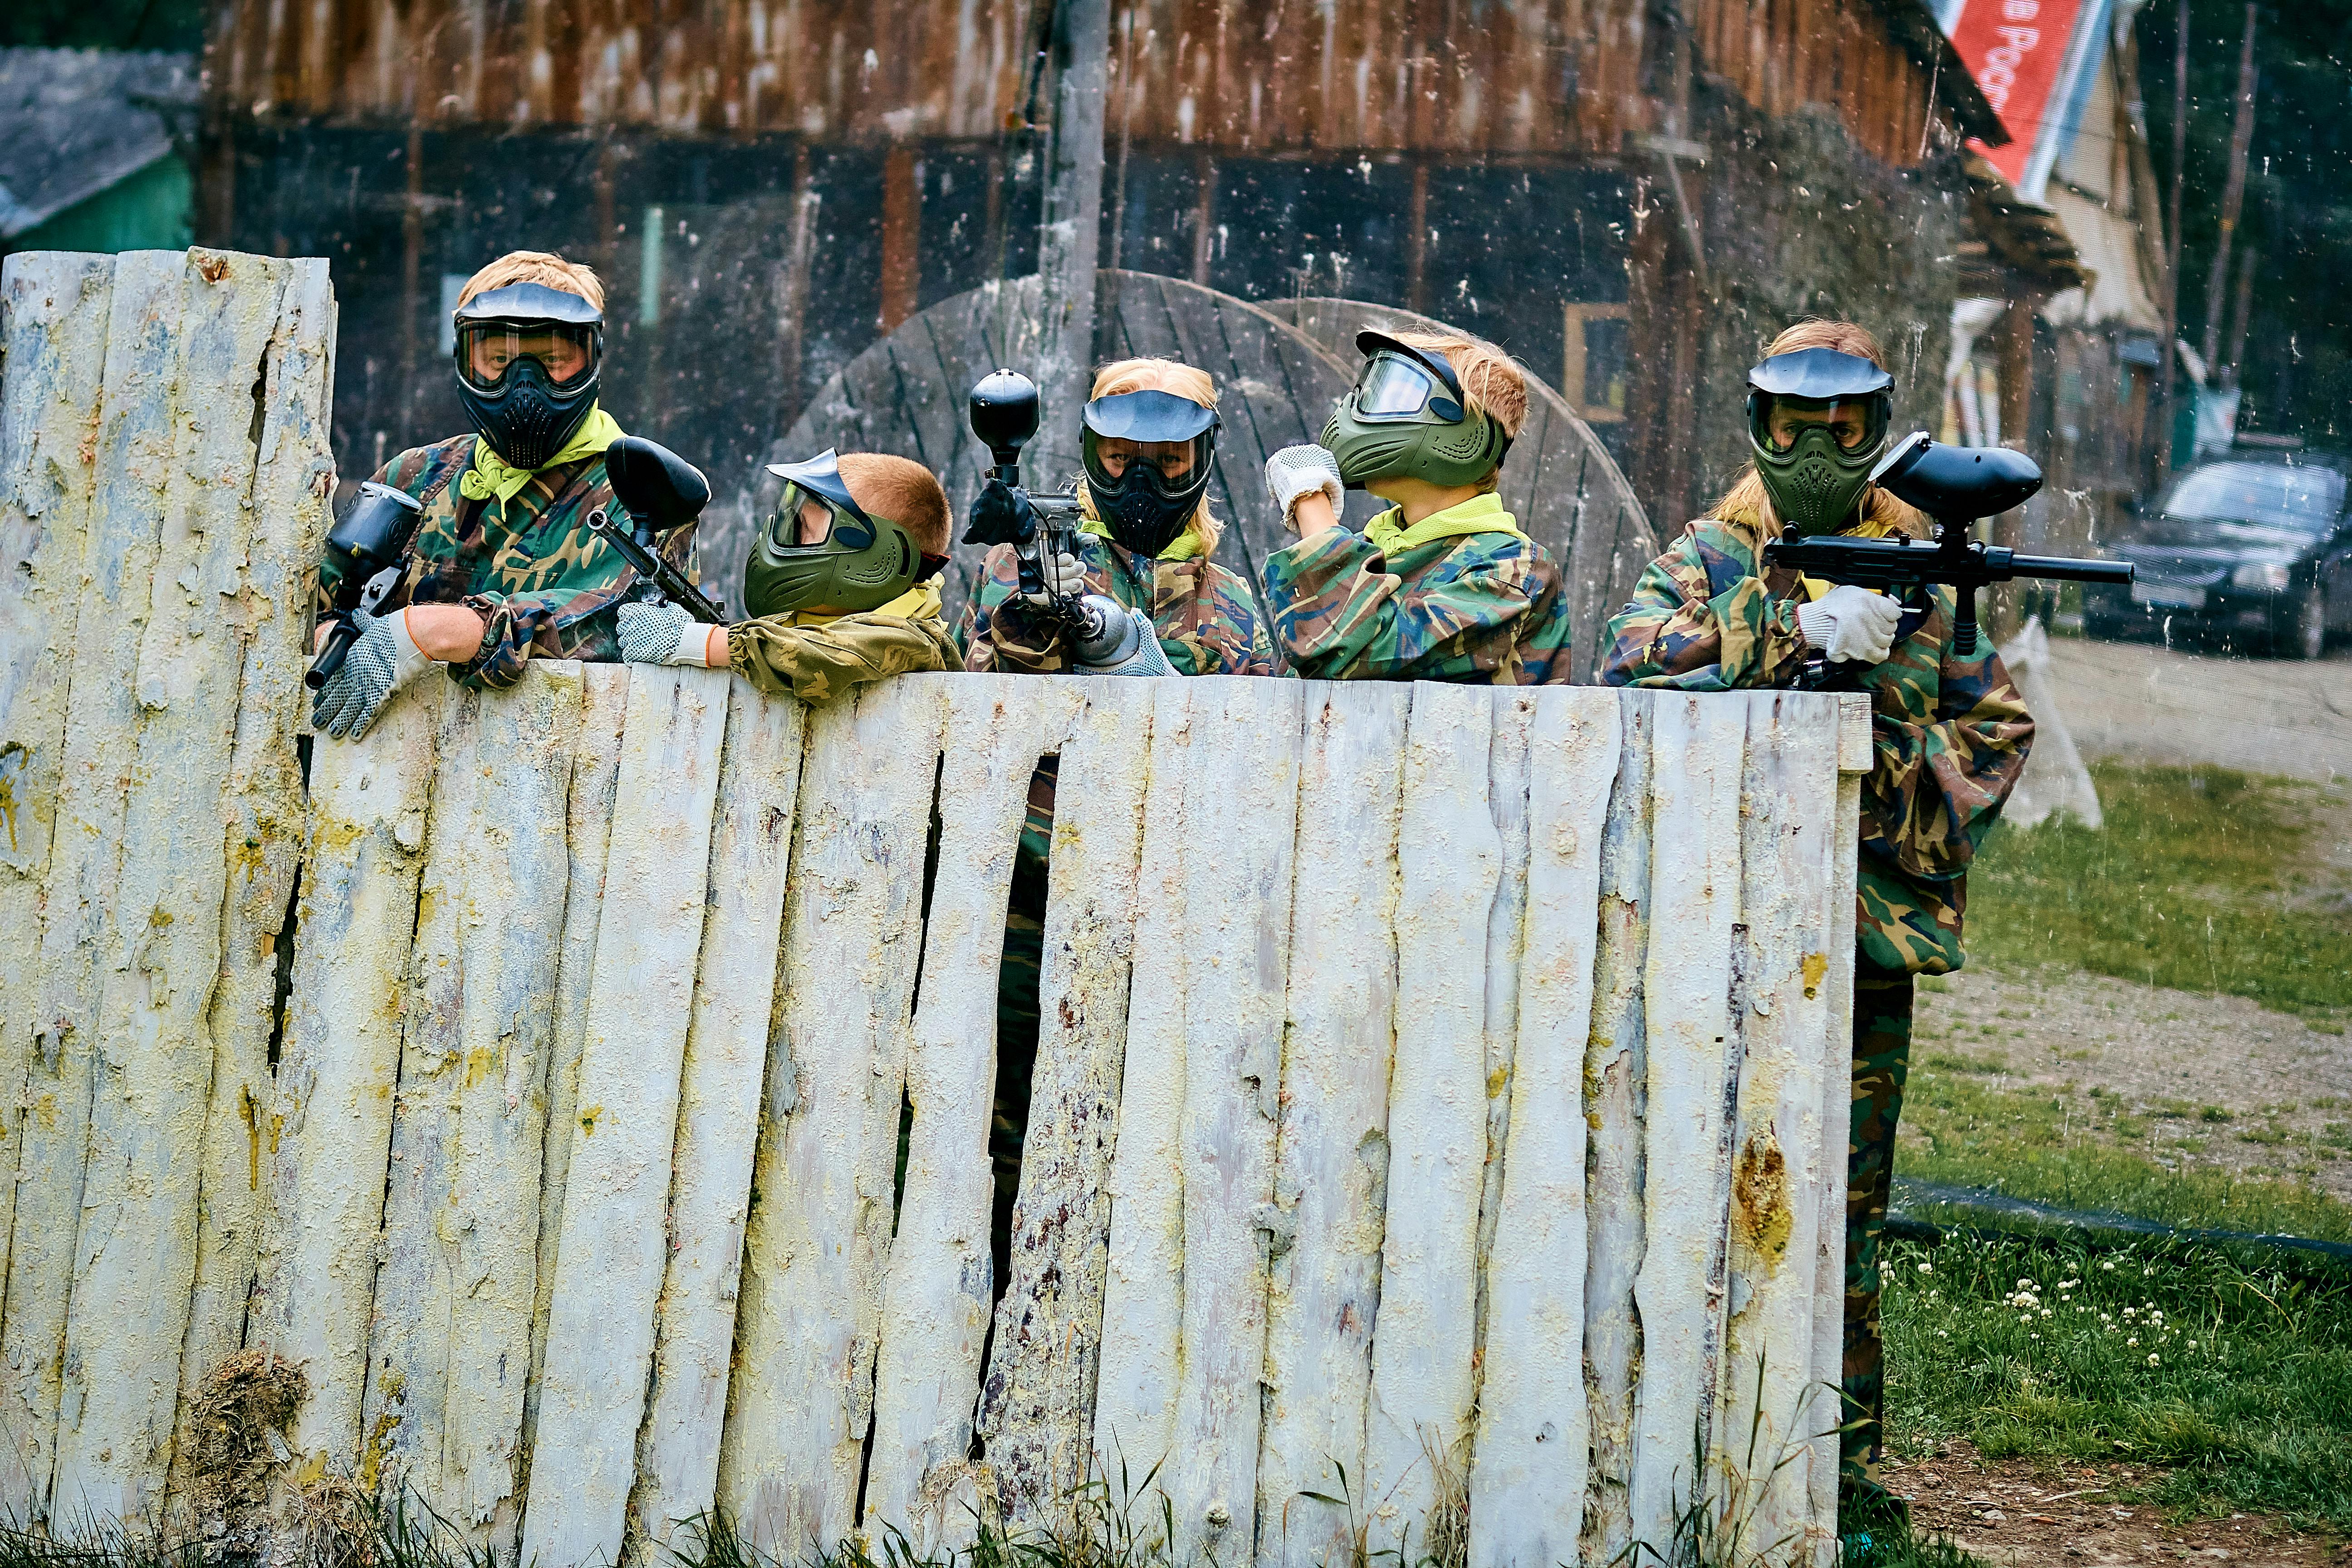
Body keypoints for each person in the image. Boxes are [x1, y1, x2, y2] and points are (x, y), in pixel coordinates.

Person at [1599, 319, 2034, 1523]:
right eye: (1795, 422)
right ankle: (1680, 1441)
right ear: (1760, 423)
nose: (1817, 445)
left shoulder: (1925, 575)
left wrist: (1878, 760)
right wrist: (1787, 633)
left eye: (1845, 425)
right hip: (1713, 923)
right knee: (1690, 1179)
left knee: (1837, 1208)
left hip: (1855, 941)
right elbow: (1627, 670)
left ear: (1877, 426)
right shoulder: (1712, 554)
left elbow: (1993, 740)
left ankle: (1835, 1471)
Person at [960, 356, 1275, 1293]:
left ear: (1204, 465)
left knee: (1146, 1149)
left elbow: (1254, 764)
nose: (1140, 481)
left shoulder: (1235, 610)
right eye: (1120, 455)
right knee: (996, 1146)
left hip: (1169, 914)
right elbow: (980, 691)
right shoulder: (1034, 559)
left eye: (1166, 463)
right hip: (1028, 902)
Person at [309, 250, 699, 740]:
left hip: (570, 782)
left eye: (554, 362)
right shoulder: (416, 476)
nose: (524, 385)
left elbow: (616, 627)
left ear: (591, 361)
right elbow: (314, 606)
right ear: (465, 360)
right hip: (392, 774)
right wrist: (333, 635)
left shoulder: (643, 493)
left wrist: (427, 632)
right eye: (498, 361)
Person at [1256, 329, 1574, 683]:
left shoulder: (1513, 572)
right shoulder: (1372, 548)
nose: (1355, 410)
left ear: (1468, 436)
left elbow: (1347, 654)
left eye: (1396, 396)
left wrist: (1313, 506)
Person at [616, 450, 960, 702]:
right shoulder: (810, 622)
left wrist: (697, 643)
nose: (785, 540)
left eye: (805, 532)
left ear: (878, 560)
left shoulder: (913, 640)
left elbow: (821, 656)